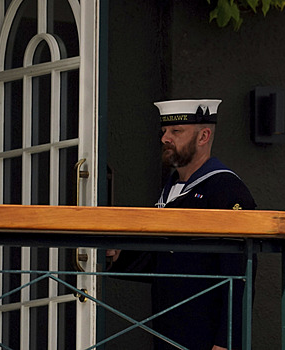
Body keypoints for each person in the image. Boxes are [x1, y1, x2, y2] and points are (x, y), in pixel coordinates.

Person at [108, 99, 256, 350]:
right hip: (169, 326)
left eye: (176, 131)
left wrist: (227, 341)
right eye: (164, 131)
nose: (165, 138)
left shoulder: (226, 189)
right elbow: (168, 257)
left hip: (204, 331)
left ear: (203, 136)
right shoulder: (172, 187)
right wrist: (120, 253)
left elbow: (239, 274)